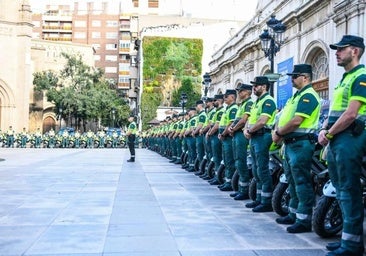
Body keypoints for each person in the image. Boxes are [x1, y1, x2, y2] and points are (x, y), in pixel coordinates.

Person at [318, 35, 366, 256]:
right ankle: (346, 238)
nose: (336, 52)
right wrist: (324, 129)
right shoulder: (345, 78)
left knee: (349, 190)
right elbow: (335, 112)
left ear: (354, 51)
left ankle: (352, 245)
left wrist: (328, 133)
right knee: (341, 191)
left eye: (341, 49)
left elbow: (351, 114)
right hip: (339, 139)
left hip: (350, 138)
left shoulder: (361, 76)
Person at [272, 64, 320, 233]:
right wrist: (278, 132)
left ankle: (304, 219)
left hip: (301, 144)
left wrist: (278, 132)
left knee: (301, 181)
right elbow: (283, 117)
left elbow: (296, 121)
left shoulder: (309, 96)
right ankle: (293, 214)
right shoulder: (296, 96)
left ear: (305, 77)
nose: (292, 79)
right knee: (291, 180)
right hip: (291, 143)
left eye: (295, 76)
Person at [244, 76, 277, 212]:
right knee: (256, 169)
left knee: (262, 169)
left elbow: (263, 121)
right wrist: (246, 129)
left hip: (263, 136)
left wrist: (250, 130)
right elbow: (251, 119)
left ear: (264, 87)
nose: (254, 88)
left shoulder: (268, 101)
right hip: (254, 137)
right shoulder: (257, 102)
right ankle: (259, 198)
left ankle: (266, 201)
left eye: (256, 85)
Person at [228, 83, 253, 200]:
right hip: (236, 134)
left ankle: (244, 190)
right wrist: (231, 127)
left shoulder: (249, 103)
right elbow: (236, 120)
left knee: (241, 161)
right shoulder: (241, 105)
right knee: (238, 161)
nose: (239, 93)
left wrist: (234, 128)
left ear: (248, 92)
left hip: (241, 135)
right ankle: (240, 188)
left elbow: (244, 120)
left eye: (241, 91)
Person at [218, 89, 238, 191]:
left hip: (228, 137)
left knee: (230, 160)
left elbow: (230, 123)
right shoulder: (228, 108)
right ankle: (227, 180)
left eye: (226, 97)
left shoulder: (234, 108)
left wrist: (223, 133)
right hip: (225, 137)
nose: (224, 99)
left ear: (232, 97)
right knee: (226, 160)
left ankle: (230, 183)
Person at [208, 94, 225, 185]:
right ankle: (216, 176)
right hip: (214, 135)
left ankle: (219, 177)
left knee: (218, 156)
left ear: (219, 101)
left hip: (216, 135)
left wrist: (210, 132)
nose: (213, 102)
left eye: (215, 100)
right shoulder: (217, 111)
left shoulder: (221, 111)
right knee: (215, 156)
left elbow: (217, 125)